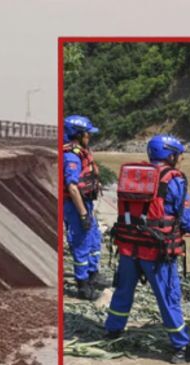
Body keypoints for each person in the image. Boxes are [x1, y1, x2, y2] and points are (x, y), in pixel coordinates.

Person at [104, 134, 190, 362]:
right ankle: (180, 347)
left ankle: (112, 332)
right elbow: (187, 221)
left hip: (128, 247)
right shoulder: (174, 180)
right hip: (156, 252)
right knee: (169, 297)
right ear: (171, 155)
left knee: (123, 291)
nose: (182, 160)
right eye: (180, 156)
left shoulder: (135, 175)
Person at [62, 114, 106, 300]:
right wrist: (82, 214)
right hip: (74, 206)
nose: (89, 138)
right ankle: (82, 284)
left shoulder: (81, 151)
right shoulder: (71, 156)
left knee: (94, 237)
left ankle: (93, 273)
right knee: (81, 242)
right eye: (87, 134)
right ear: (78, 135)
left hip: (85, 202)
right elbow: (72, 187)